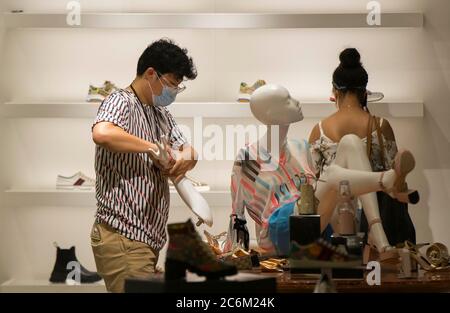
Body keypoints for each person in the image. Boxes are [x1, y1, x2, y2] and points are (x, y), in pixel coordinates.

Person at [225, 84, 419, 264]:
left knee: (350, 142)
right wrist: (233, 256)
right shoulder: (248, 157)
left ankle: (378, 235)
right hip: (280, 231)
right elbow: (237, 214)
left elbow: (321, 193)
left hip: (313, 225)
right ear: (270, 114)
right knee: (334, 177)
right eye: (288, 100)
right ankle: (387, 181)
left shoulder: (300, 147)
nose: (297, 102)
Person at [90, 38, 198, 293]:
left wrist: (184, 160)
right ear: (151, 73)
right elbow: (102, 133)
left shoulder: (161, 114)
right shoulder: (121, 101)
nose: (173, 92)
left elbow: (189, 150)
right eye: (172, 85)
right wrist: (151, 147)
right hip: (123, 236)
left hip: (147, 238)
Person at [309, 48, 416, 253]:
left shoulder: (319, 130)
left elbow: (313, 184)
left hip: (332, 217)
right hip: (348, 219)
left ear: (334, 91)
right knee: (348, 154)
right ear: (364, 91)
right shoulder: (381, 126)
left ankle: (377, 232)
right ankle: (379, 233)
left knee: (350, 145)